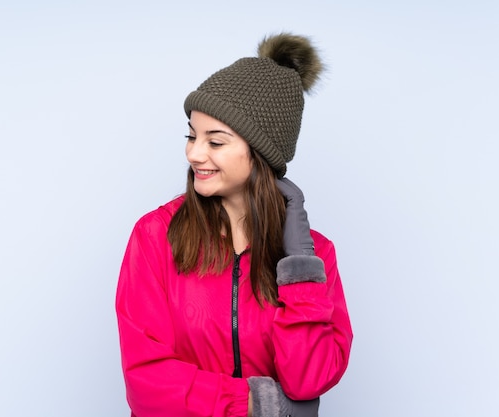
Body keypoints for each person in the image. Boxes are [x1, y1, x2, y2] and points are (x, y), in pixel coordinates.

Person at [116, 32, 353, 417]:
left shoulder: (314, 256)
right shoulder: (156, 235)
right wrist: (258, 404)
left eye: (216, 141)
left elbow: (308, 380)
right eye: (192, 136)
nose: (194, 153)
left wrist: (299, 265)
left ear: (260, 153)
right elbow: (147, 383)